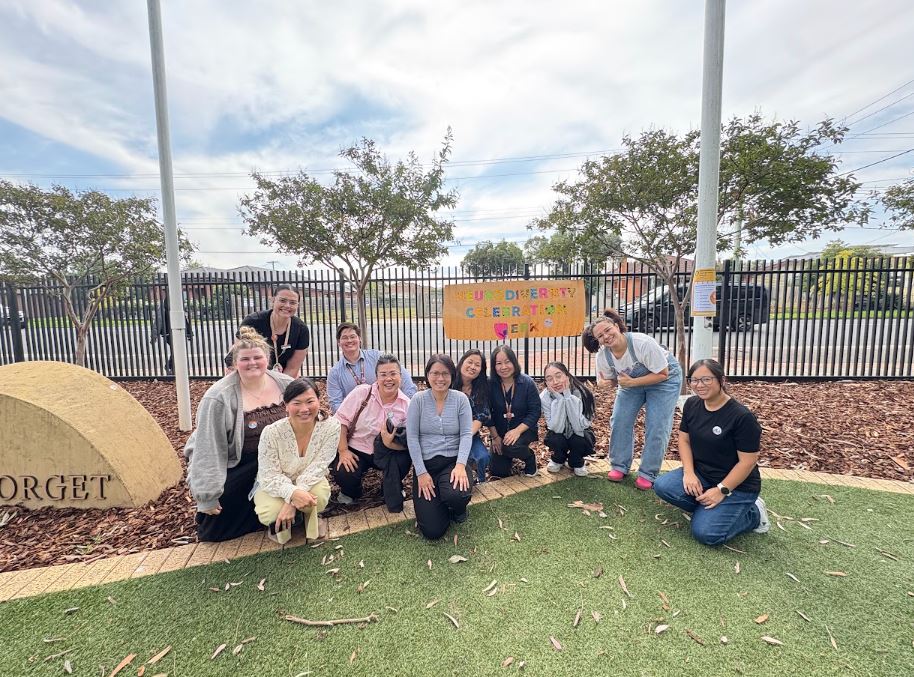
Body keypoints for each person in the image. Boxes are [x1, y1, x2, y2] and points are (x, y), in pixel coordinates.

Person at [184, 326, 293, 542]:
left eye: (257, 357)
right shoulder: (218, 397)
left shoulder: (286, 385)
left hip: (283, 461)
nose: (252, 363)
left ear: (267, 359)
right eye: (245, 359)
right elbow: (208, 448)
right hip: (241, 463)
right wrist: (207, 495)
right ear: (235, 363)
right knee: (215, 528)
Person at [653, 359, 770, 545]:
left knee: (706, 534)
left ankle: (754, 514)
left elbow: (747, 462)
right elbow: (684, 440)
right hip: (703, 475)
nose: (699, 385)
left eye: (706, 379)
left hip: (737, 486)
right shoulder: (692, 404)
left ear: (721, 380)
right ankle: (712, 511)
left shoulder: (742, 417)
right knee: (663, 486)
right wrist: (689, 473)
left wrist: (722, 490)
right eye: (694, 380)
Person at [587, 309, 682, 490]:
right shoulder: (603, 356)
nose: (606, 336)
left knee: (657, 424)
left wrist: (632, 382)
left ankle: (648, 473)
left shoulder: (642, 343)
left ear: (617, 326)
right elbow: (610, 380)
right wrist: (605, 383)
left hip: (664, 379)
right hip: (631, 383)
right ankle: (619, 465)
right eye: (600, 336)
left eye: (608, 330)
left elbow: (663, 374)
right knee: (620, 419)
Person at [253, 379, 340, 544]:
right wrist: (292, 494)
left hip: (310, 479)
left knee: (319, 496)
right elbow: (269, 475)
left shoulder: (331, 426)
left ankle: (311, 519)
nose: (304, 409)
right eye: (297, 403)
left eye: (310, 401)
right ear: (286, 405)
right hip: (275, 482)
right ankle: (280, 526)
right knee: (271, 512)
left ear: (319, 400)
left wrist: (291, 502)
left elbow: (319, 466)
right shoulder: (271, 433)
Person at [333, 354, 412, 512]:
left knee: (404, 459)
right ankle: (351, 491)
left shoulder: (406, 405)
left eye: (393, 373)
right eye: (383, 374)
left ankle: (389, 486)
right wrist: (343, 450)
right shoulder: (362, 393)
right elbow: (340, 422)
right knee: (345, 471)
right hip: (357, 448)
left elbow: (410, 441)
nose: (388, 379)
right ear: (376, 377)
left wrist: (390, 444)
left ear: (400, 376)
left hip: (387, 450)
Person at [407, 354, 473, 539]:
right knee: (433, 531)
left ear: (452, 375)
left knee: (457, 494)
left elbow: (466, 434)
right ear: (427, 375)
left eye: (445, 373)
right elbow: (412, 437)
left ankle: (458, 509)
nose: (440, 378)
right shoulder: (418, 400)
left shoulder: (460, 399)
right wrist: (421, 473)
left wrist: (460, 465)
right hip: (426, 466)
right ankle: (440, 505)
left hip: (453, 462)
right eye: (435, 373)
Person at [326, 322, 417, 413]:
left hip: (389, 412)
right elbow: (336, 404)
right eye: (344, 338)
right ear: (338, 342)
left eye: (353, 336)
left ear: (359, 339)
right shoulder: (335, 373)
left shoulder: (377, 357)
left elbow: (403, 377)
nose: (349, 340)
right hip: (357, 418)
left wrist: (409, 407)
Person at [224, 284, 309, 376]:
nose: (287, 305)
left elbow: (292, 368)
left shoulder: (301, 329)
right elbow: (238, 355)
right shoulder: (253, 322)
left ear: (298, 305)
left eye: (292, 302)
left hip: (283, 376)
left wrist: (279, 384)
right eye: (282, 300)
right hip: (250, 372)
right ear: (273, 300)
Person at [488, 345, 541, 478]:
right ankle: (508, 455)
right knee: (498, 471)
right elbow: (487, 413)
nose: (503, 367)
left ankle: (529, 457)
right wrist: (495, 437)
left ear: (514, 362)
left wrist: (517, 431)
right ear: (494, 366)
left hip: (523, 429)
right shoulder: (490, 384)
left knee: (510, 447)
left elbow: (535, 411)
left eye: (507, 362)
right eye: (498, 363)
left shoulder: (527, 383)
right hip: (500, 432)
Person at [541, 361, 596, 478]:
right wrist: (560, 400)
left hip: (581, 431)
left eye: (558, 376)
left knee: (580, 440)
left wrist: (568, 397)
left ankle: (576, 461)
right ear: (546, 382)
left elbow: (580, 427)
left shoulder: (583, 393)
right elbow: (555, 427)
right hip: (559, 432)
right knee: (555, 438)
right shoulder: (545, 397)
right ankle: (558, 459)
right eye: (549, 379)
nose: (555, 382)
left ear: (567, 375)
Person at [453, 349, 491, 483]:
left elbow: (480, 417)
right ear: (462, 362)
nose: (472, 367)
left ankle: (480, 480)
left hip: (470, 434)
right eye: (470, 362)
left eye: (477, 365)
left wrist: (465, 437)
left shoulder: (481, 388)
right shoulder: (450, 383)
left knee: (483, 457)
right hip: (448, 434)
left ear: (481, 370)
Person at [150, 293, 192, 375]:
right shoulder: (164, 307)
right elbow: (158, 321)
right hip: (168, 333)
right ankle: (171, 367)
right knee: (177, 351)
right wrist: (154, 335)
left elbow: (183, 320)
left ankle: (171, 367)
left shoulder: (177, 306)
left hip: (177, 332)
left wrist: (189, 333)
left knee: (178, 351)